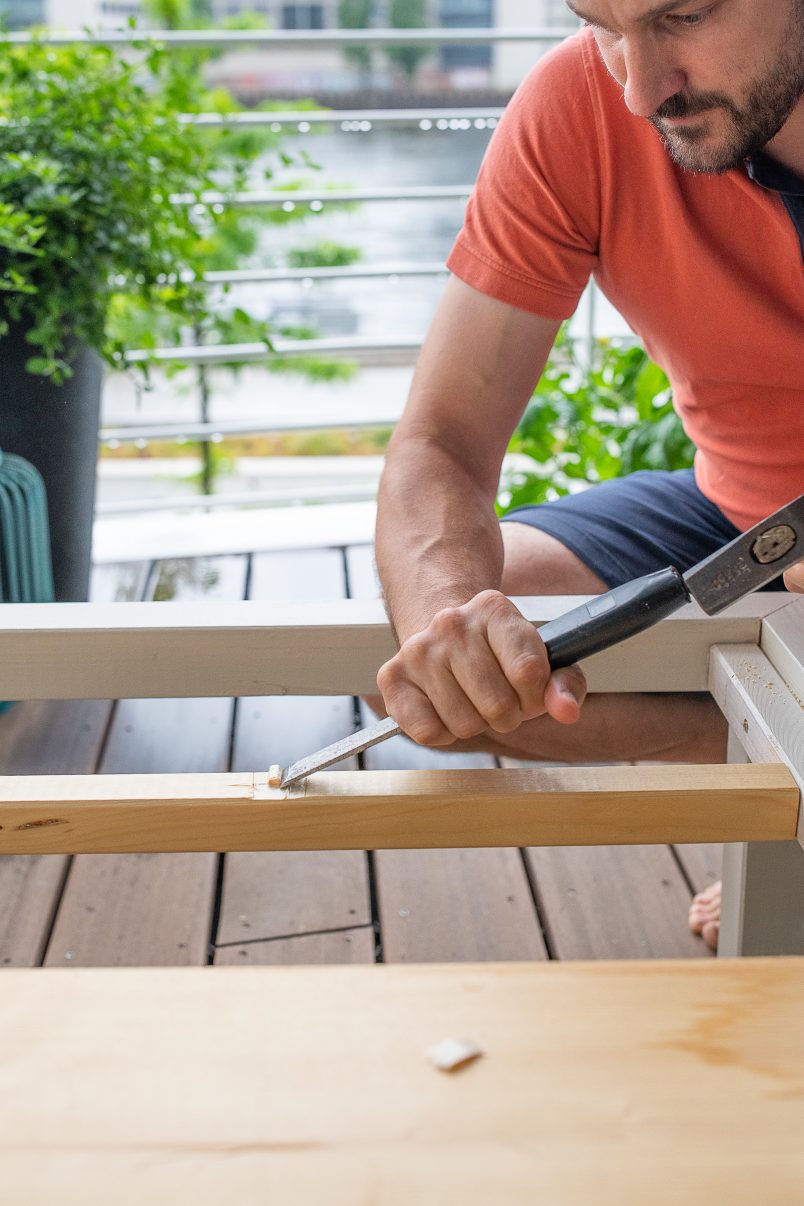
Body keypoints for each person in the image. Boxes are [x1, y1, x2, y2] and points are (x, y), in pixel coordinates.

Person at [373, 0, 804, 951]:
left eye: (682, 15)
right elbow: (440, 440)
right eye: (601, 22)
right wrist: (452, 616)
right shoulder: (581, 98)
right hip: (739, 515)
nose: (639, 88)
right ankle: (780, 755)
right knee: (449, 646)